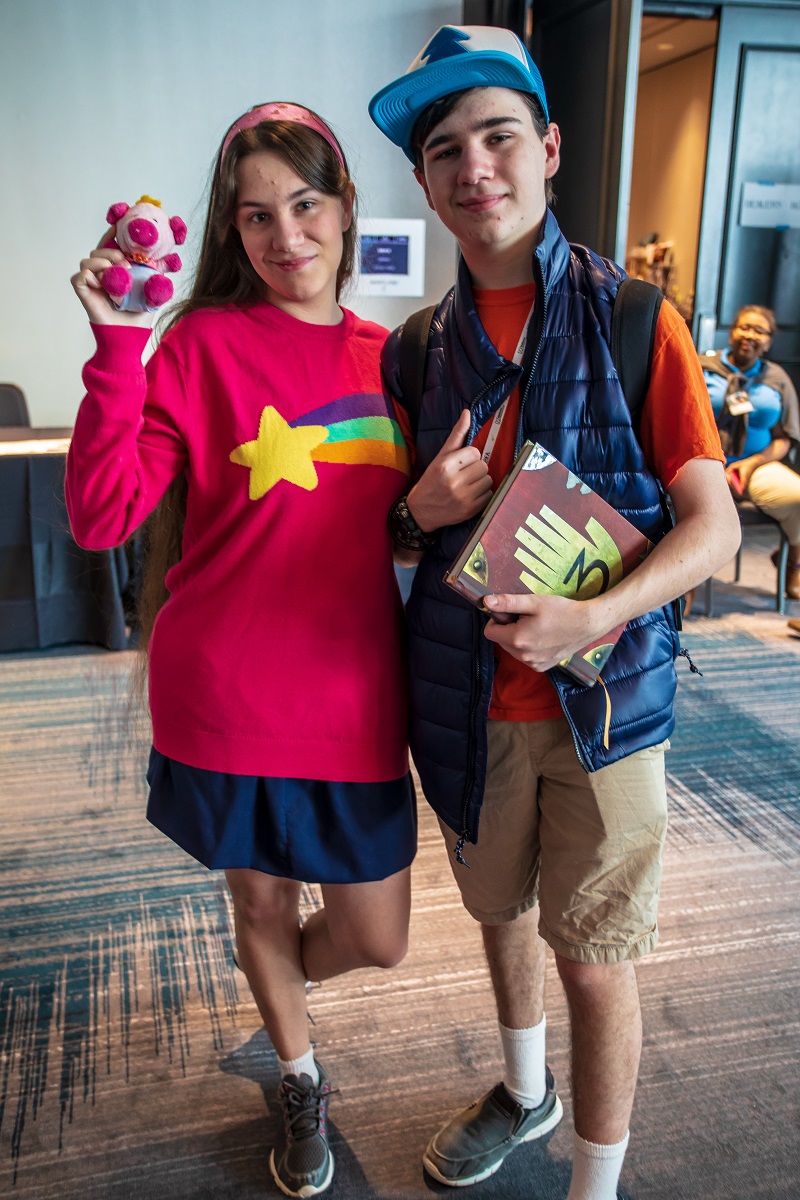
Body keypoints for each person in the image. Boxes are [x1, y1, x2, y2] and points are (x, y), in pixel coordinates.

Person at [369, 25, 741, 1200]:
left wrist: (595, 617)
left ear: (549, 148)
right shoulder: (412, 351)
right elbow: (388, 545)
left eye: (497, 136)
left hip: (605, 709)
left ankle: (595, 1183)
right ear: (423, 181)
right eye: (444, 150)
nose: (473, 166)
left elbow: (713, 531)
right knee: (496, 913)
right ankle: (524, 1091)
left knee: (592, 960)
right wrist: (415, 509)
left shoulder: (633, 319)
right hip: (464, 702)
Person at [66, 101, 416, 1199]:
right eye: (256, 215)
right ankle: (299, 1073)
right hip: (225, 688)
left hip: (356, 694)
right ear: (231, 228)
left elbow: (416, 528)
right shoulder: (200, 343)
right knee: (261, 906)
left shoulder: (397, 358)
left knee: (379, 936)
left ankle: (278, 996)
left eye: (305, 205)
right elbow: (102, 516)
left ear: (346, 207)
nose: (285, 236)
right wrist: (118, 345)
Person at [700, 305, 800, 600]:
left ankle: (794, 564)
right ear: (732, 331)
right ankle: (687, 585)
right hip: (704, 463)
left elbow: (783, 439)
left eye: (760, 331)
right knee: (680, 503)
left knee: (797, 496)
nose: (750, 335)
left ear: (769, 341)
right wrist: (712, 464)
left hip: (755, 467)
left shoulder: (777, 378)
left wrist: (751, 464)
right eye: (744, 327)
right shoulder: (701, 367)